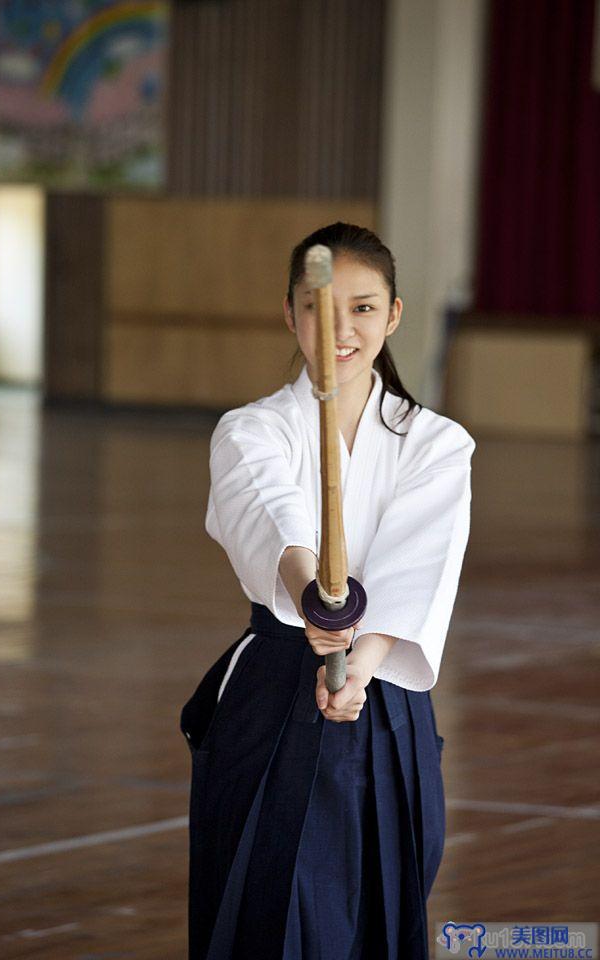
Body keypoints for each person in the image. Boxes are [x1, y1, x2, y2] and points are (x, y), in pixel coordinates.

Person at [179, 223, 474, 959]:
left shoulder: (438, 443)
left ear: (395, 315)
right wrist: (314, 594)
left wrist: (362, 661)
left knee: (380, 910)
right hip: (274, 686)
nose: (342, 329)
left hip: (387, 694)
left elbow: (417, 565)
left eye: (365, 308)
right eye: (319, 307)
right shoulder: (249, 430)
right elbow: (269, 515)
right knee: (259, 911)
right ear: (289, 313)